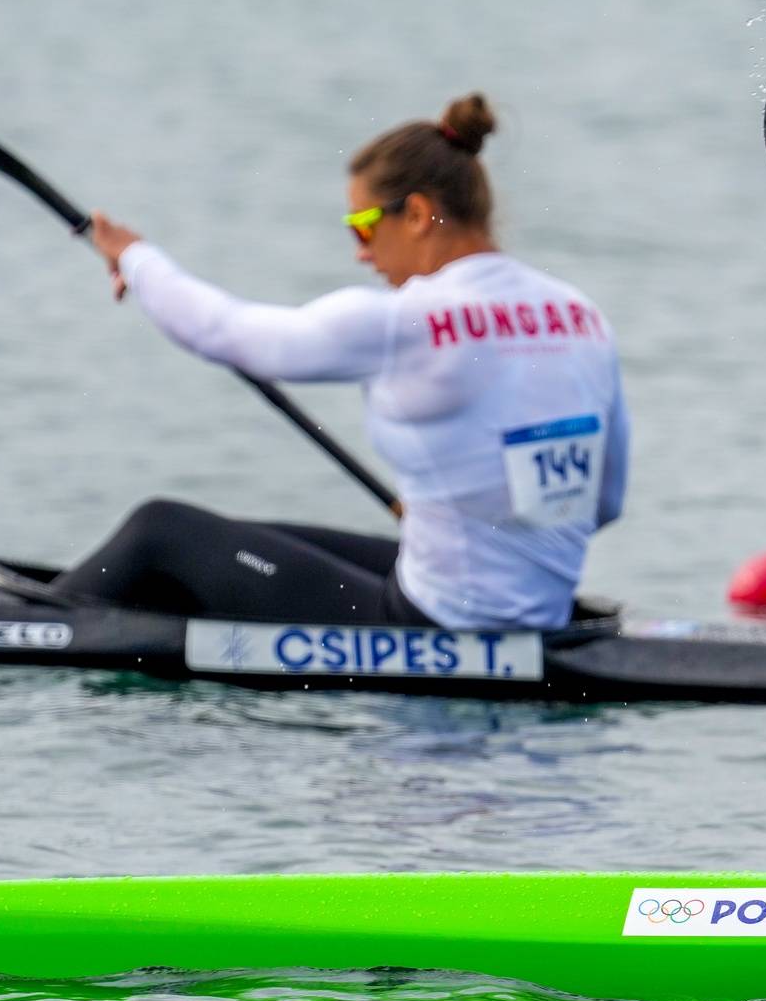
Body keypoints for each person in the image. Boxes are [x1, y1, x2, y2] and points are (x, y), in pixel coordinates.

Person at [54, 93, 629, 630]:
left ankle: (36, 627)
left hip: (439, 620)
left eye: (363, 225)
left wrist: (135, 259)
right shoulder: (581, 315)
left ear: (419, 214)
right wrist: (466, 513)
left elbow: (222, 331)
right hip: (542, 612)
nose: (359, 252)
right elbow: (602, 503)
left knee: (161, 533)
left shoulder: (402, 322)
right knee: (254, 539)